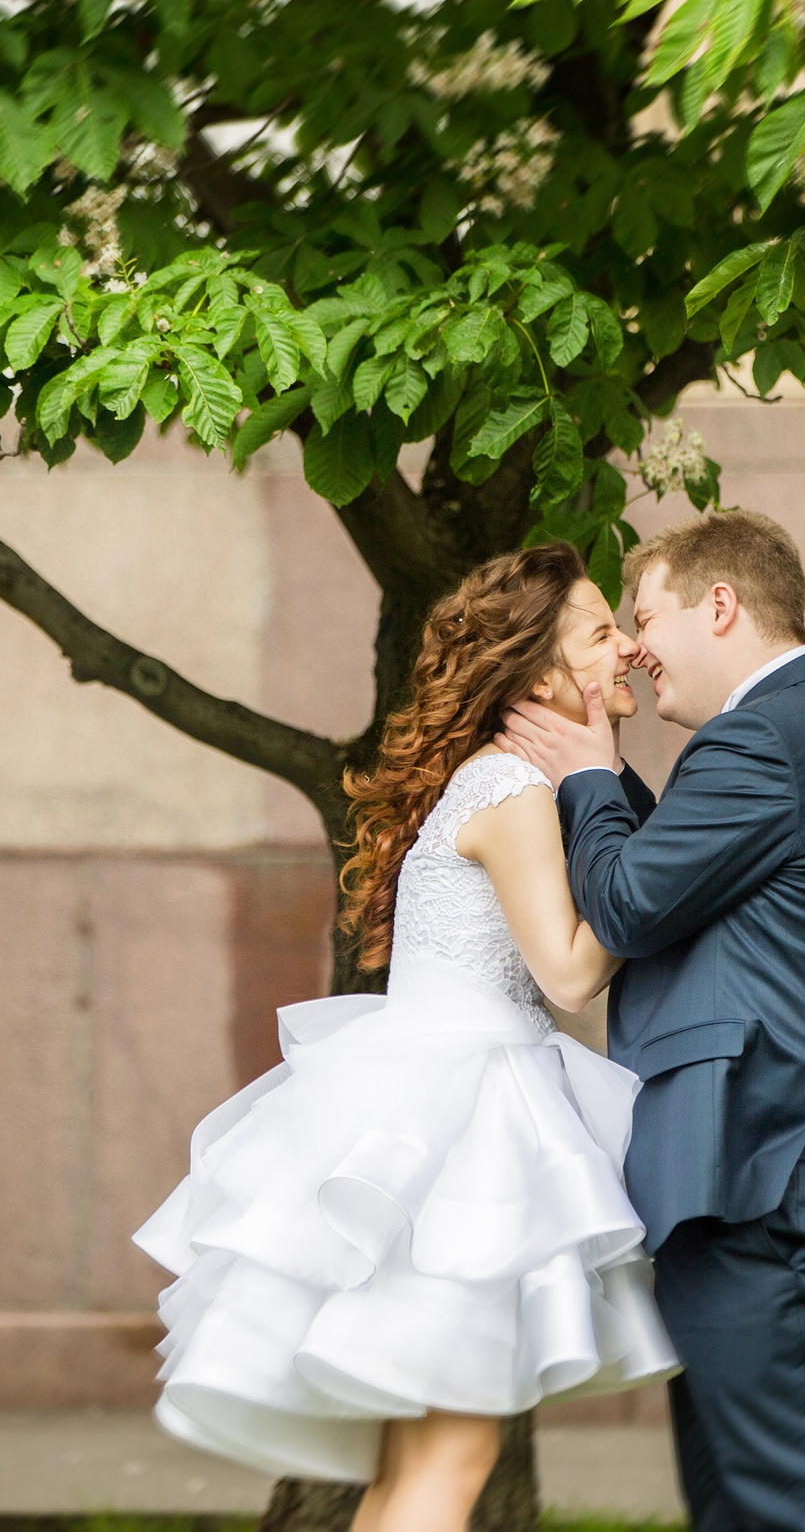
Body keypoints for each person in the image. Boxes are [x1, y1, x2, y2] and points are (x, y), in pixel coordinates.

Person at [133, 543, 679, 1532]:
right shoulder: (514, 791)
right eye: (603, 631)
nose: (631, 647)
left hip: (428, 1101)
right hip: (461, 1130)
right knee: (452, 1457)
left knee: (421, 1463)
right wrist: (647, 877)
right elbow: (566, 971)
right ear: (545, 676)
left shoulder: (496, 781)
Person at [497, 508, 805, 1532]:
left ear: (719, 604)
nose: (635, 648)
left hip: (776, 1179)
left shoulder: (770, 733)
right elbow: (686, 887)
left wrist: (578, 772)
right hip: (770, 1178)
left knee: (793, 1512)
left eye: (644, 615)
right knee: (745, 1510)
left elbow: (623, 907)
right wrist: (605, 774)